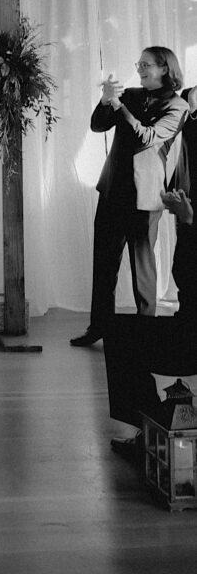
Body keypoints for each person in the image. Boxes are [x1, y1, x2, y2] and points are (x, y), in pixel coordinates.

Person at [71, 47, 188, 347]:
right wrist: (105, 101)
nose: (140, 69)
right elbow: (98, 125)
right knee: (104, 267)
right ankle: (98, 327)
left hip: (145, 198)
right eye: (139, 64)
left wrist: (118, 105)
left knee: (143, 273)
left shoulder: (178, 106)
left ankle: (146, 335)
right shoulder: (132, 95)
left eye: (146, 64)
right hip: (112, 191)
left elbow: (145, 137)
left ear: (164, 68)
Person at [104, 185, 197, 462]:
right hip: (188, 332)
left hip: (190, 341)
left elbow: (185, 274)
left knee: (120, 335)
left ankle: (149, 432)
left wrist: (186, 221)